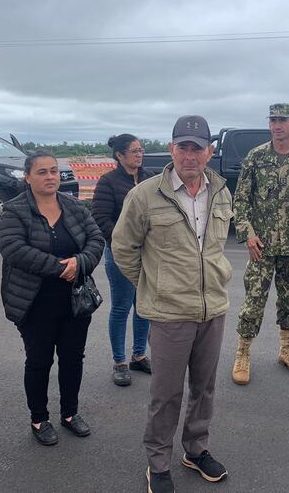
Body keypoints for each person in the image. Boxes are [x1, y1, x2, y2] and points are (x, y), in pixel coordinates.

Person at [112, 115, 233, 493]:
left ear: (210, 151)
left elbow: (215, 248)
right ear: (171, 149)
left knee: (204, 387)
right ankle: (158, 463)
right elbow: (123, 247)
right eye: (183, 146)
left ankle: (195, 450)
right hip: (168, 313)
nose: (190, 155)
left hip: (212, 308)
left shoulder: (221, 192)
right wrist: (153, 285)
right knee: (166, 395)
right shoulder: (146, 194)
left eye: (197, 147)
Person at [0, 151, 104, 446]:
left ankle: (70, 413)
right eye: (42, 172)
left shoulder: (74, 206)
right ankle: (39, 418)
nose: (50, 177)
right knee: (39, 361)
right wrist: (62, 268)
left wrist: (80, 263)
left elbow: (96, 240)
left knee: (72, 359)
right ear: (28, 177)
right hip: (34, 302)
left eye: (54, 171)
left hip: (74, 300)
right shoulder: (15, 210)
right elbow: (13, 248)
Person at [231, 103, 289, 385]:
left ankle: (287, 350)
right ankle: (243, 353)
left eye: (282, 120)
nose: (277, 125)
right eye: (273, 120)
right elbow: (241, 201)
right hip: (262, 246)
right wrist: (247, 233)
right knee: (253, 301)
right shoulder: (256, 157)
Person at [91, 133, 153, 387]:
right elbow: (100, 217)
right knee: (121, 307)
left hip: (148, 253)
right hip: (120, 253)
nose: (140, 154)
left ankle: (139, 355)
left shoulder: (149, 179)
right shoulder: (108, 182)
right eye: (134, 151)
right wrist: (124, 241)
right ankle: (119, 362)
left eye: (141, 150)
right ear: (120, 155)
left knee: (144, 306)